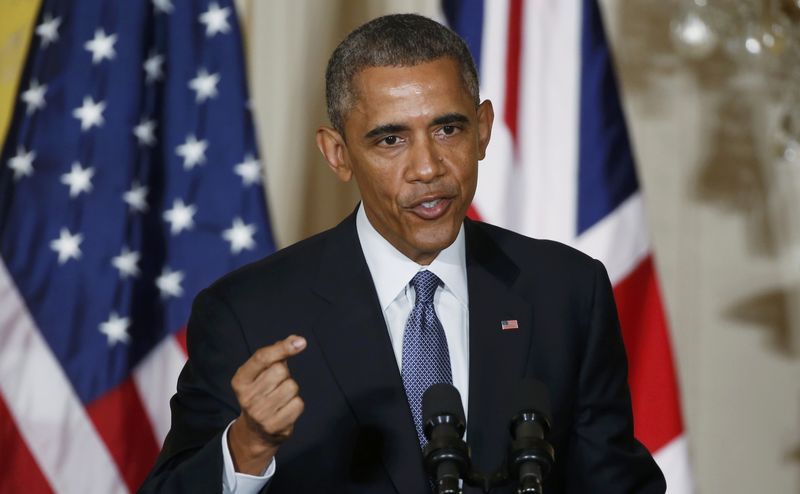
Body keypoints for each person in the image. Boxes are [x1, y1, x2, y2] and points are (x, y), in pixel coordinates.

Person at [140, 13, 665, 494]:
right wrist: (247, 447)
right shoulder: (247, 314)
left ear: (483, 130)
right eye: (391, 140)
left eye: (448, 128)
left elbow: (616, 484)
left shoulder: (566, 289)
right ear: (338, 153)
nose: (428, 167)